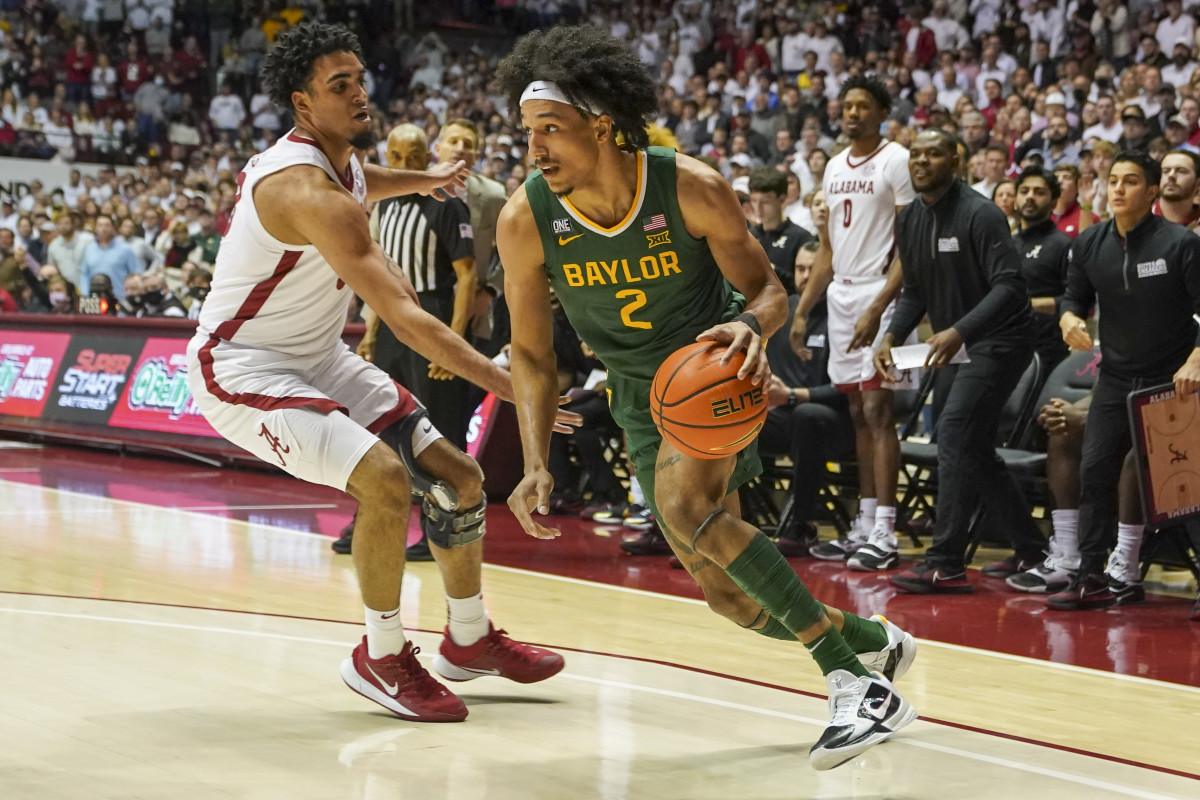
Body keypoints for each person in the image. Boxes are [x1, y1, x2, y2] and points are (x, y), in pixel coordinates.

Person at [494, 25, 916, 771]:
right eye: (528, 132)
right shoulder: (526, 217)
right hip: (635, 396)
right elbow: (529, 352)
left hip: (712, 372)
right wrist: (534, 459)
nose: (535, 149)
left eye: (550, 130)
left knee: (692, 511)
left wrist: (749, 324)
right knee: (731, 600)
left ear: (600, 125)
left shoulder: (689, 185)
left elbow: (770, 291)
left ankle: (855, 684)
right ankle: (874, 642)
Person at [185, 23, 567, 724]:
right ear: (303, 105)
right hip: (240, 365)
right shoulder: (306, 190)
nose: (361, 94)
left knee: (460, 476)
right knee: (385, 480)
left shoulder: (343, 166)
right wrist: (506, 382)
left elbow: (372, 179)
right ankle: (381, 656)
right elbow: (405, 317)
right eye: (340, 87)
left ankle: (469, 638)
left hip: (317, 357)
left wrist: (429, 178)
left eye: (359, 79)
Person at [877, 129, 1047, 594]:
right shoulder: (910, 217)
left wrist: (957, 331)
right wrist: (891, 334)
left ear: (955, 160)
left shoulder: (981, 213)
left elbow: (1010, 286)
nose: (922, 161)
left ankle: (945, 561)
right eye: (917, 154)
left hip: (1001, 340)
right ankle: (1032, 548)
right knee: (969, 446)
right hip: (960, 344)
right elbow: (914, 290)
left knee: (953, 432)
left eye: (934, 154)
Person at [1051, 150, 1200, 610]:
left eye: (1130, 181)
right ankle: (1092, 575)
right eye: (1112, 179)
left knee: (1184, 483)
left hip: (1171, 377)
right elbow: (1072, 296)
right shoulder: (1090, 242)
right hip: (1116, 377)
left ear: (1152, 191)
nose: (1117, 188)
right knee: (1095, 471)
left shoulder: (1179, 244)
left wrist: (1196, 360)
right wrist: (1069, 319)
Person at [793, 74, 917, 572]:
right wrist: (803, 310)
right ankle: (864, 522)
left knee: (878, 409)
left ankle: (886, 530)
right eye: (846, 105)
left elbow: (910, 247)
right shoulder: (836, 166)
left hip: (883, 294)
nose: (851, 113)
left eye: (863, 105)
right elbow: (826, 247)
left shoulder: (897, 160)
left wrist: (879, 306)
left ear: (882, 111)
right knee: (858, 415)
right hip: (841, 292)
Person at [357, 123, 479, 561]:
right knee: (381, 422)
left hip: (432, 316)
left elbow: (468, 276)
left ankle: (442, 530)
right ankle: (371, 518)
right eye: (397, 155)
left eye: (414, 155)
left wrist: (452, 344)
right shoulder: (382, 207)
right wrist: (370, 334)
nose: (406, 164)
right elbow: (376, 279)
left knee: (439, 430)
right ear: (386, 156)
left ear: (427, 156)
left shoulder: (446, 204)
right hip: (389, 320)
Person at [761, 227, 855, 557]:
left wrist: (793, 395)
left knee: (806, 415)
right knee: (729, 419)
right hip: (782, 416)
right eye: (799, 269)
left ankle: (802, 525)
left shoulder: (844, 316)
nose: (803, 276)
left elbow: (849, 388)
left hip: (836, 422)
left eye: (811, 269)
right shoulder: (781, 310)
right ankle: (732, 521)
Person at [1013, 167, 1071, 374]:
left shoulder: (1062, 245)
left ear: (1054, 202)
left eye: (1039, 192)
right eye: (1024, 191)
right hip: (1006, 349)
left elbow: (1075, 301)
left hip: (1046, 355)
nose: (1030, 197)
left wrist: (1029, 304)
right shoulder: (1005, 244)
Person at [748, 167, 813, 293]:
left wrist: (771, 270)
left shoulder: (801, 237)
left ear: (782, 199)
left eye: (765, 202)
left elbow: (805, 284)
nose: (758, 208)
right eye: (753, 201)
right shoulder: (750, 235)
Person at [78, 216, 142, 301]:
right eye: (100, 225)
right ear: (95, 228)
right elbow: (84, 274)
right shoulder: (89, 249)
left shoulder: (125, 249)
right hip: (93, 300)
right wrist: (85, 295)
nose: (103, 229)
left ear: (112, 228)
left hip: (119, 299)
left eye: (107, 225)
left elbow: (136, 274)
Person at [1155, 149, 1200, 230]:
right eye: (1165, 171)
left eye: (1182, 171)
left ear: (1198, 183)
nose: (1171, 175)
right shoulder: (1138, 219)